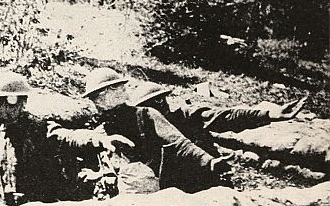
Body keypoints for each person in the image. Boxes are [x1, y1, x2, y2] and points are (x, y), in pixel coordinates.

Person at [0, 71, 128, 205]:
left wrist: (99, 140)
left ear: (13, 102)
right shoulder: (4, 134)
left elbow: (67, 137)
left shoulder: (37, 128)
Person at [87, 68, 307, 156]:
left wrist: (268, 114)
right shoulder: (133, 122)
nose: (163, 106)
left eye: (164, 101)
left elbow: (224, 117)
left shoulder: (181, 116)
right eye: (157, 102)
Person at [77, 67, 231, 193]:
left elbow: (178, 143)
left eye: (98, 96)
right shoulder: (100, 131)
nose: (96, 102)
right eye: (93, 98)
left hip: (158, 189)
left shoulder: (145, 115)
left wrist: (208, 162)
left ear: (113, 92)